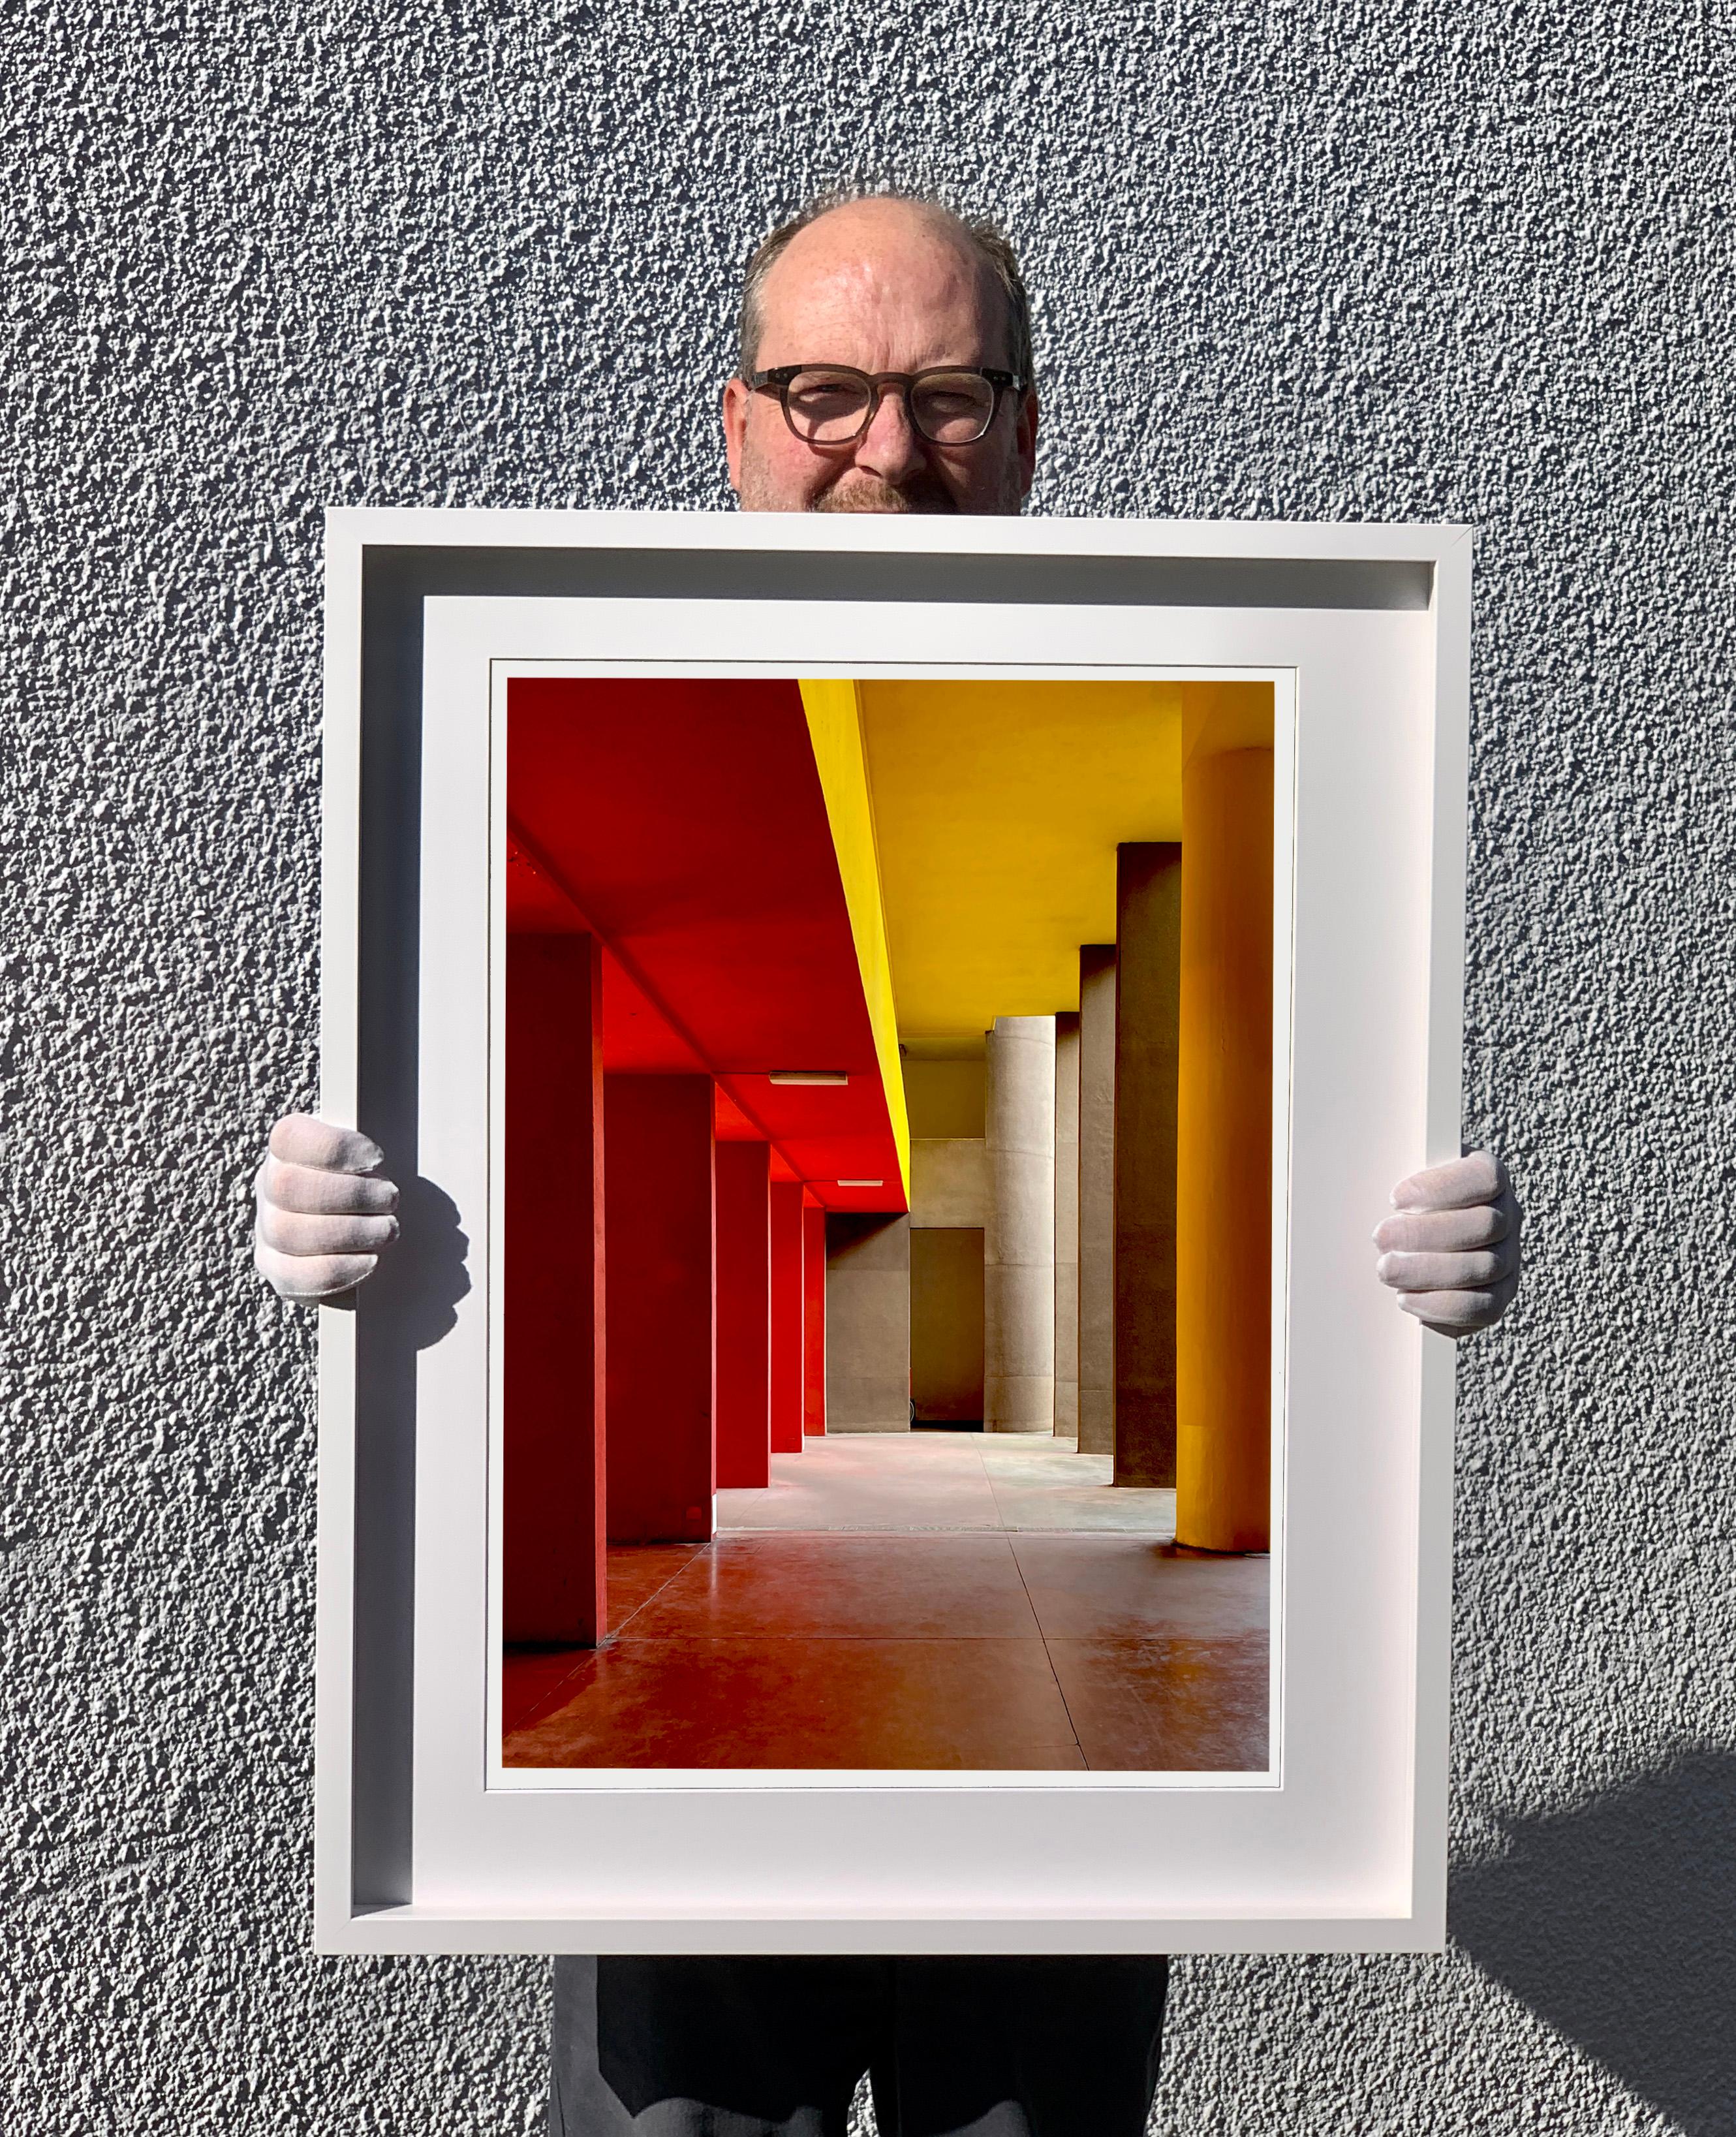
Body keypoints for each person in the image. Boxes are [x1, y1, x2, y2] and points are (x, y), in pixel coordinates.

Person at [255, 193, 1522, 2137]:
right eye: (829, 391)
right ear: (738, 419)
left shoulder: (1242, 669)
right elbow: (460, 1156)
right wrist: (346, 1240)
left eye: (943, 395)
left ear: (1025, 430)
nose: (883, 446)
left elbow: (1327, 1136)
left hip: (1060, 1866)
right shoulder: (527, 663)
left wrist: (1402, 1271)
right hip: (675, 1869)